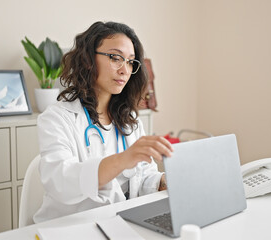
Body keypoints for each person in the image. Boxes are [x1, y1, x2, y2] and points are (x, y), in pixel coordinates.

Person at [34, 21, 174, 223]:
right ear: (88, 59)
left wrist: (163, 182)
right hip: (70, 228)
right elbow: (60, 181)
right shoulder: (57, 117)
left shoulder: (130, 121)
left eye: (130, 62)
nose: (124, 70)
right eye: (116, 58)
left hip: (119, 223)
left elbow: (143, 177)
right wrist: (123, 159)